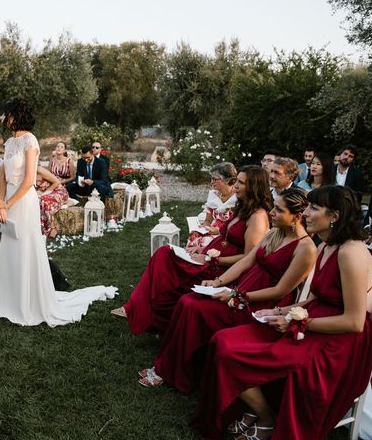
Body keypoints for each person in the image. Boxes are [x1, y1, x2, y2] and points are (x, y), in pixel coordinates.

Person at [193, 185, 372, 440]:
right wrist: (282, 311)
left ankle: (267, 418)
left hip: (339, 343)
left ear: (335, 215)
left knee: (233, 353)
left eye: (314, 208)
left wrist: (297, 322)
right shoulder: (326, 244)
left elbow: (354, 322)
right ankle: (260, 410)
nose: (307, 214)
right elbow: (315, 298)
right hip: (313, 319)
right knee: (223, 340)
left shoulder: (351, 253)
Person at [138, 188, 316, 390]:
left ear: (297, 216)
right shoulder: (275, 233)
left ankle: (173, 371)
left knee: (192, 307)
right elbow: (247, 261)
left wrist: (238, 295)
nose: (272, 213)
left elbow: (281, 291)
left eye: (279, 210)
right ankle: (174, 367)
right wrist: (218, 282)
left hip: (261, 305)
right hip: (239, 291)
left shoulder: (306, 248)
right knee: (188, 301)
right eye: (273, 207)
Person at [0, 99, 115, 326]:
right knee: (9, 247)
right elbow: (3, 172)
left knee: (25, 247)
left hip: (24, 203)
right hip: (8, 201)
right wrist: (0, 198)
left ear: (15, 115)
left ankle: (30, 303)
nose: (1, 118)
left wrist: (8, 204)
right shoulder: (8, 143)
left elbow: (29, 180)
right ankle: (10, 301)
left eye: (5, 113)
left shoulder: (30, 140)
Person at [112, 165, 272, 335]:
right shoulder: (243, 208)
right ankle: (140, 307)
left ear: (254, 186)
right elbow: (223, 236)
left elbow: (249, 258)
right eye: (237, 181)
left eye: (241, 183)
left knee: (165, 255)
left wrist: (212, 259)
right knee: (164, 254)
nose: (236, 186)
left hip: (221, 269)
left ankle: (139, 308)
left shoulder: (258, 217)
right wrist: (202, 247)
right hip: (210, 257)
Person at [186, 162, 238, 249]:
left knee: (205, 242)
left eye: (215, 179)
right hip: (211, 231)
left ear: (227, 180)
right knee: (194, 236)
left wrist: (218, 231)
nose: (211, 182)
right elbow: (208, 220)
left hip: (227, 235)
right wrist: (206, 228)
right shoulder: (213, 195)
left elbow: (237, 227)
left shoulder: (237, 198)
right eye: (211, 179)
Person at [36, 165, 69, 239]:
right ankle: (39, 227)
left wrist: (44, 193)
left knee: (44, 200)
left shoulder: (39, 169)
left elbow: (57, 182)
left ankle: (52, 228)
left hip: (58, 191)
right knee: (37, 200)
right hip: (44, 192)